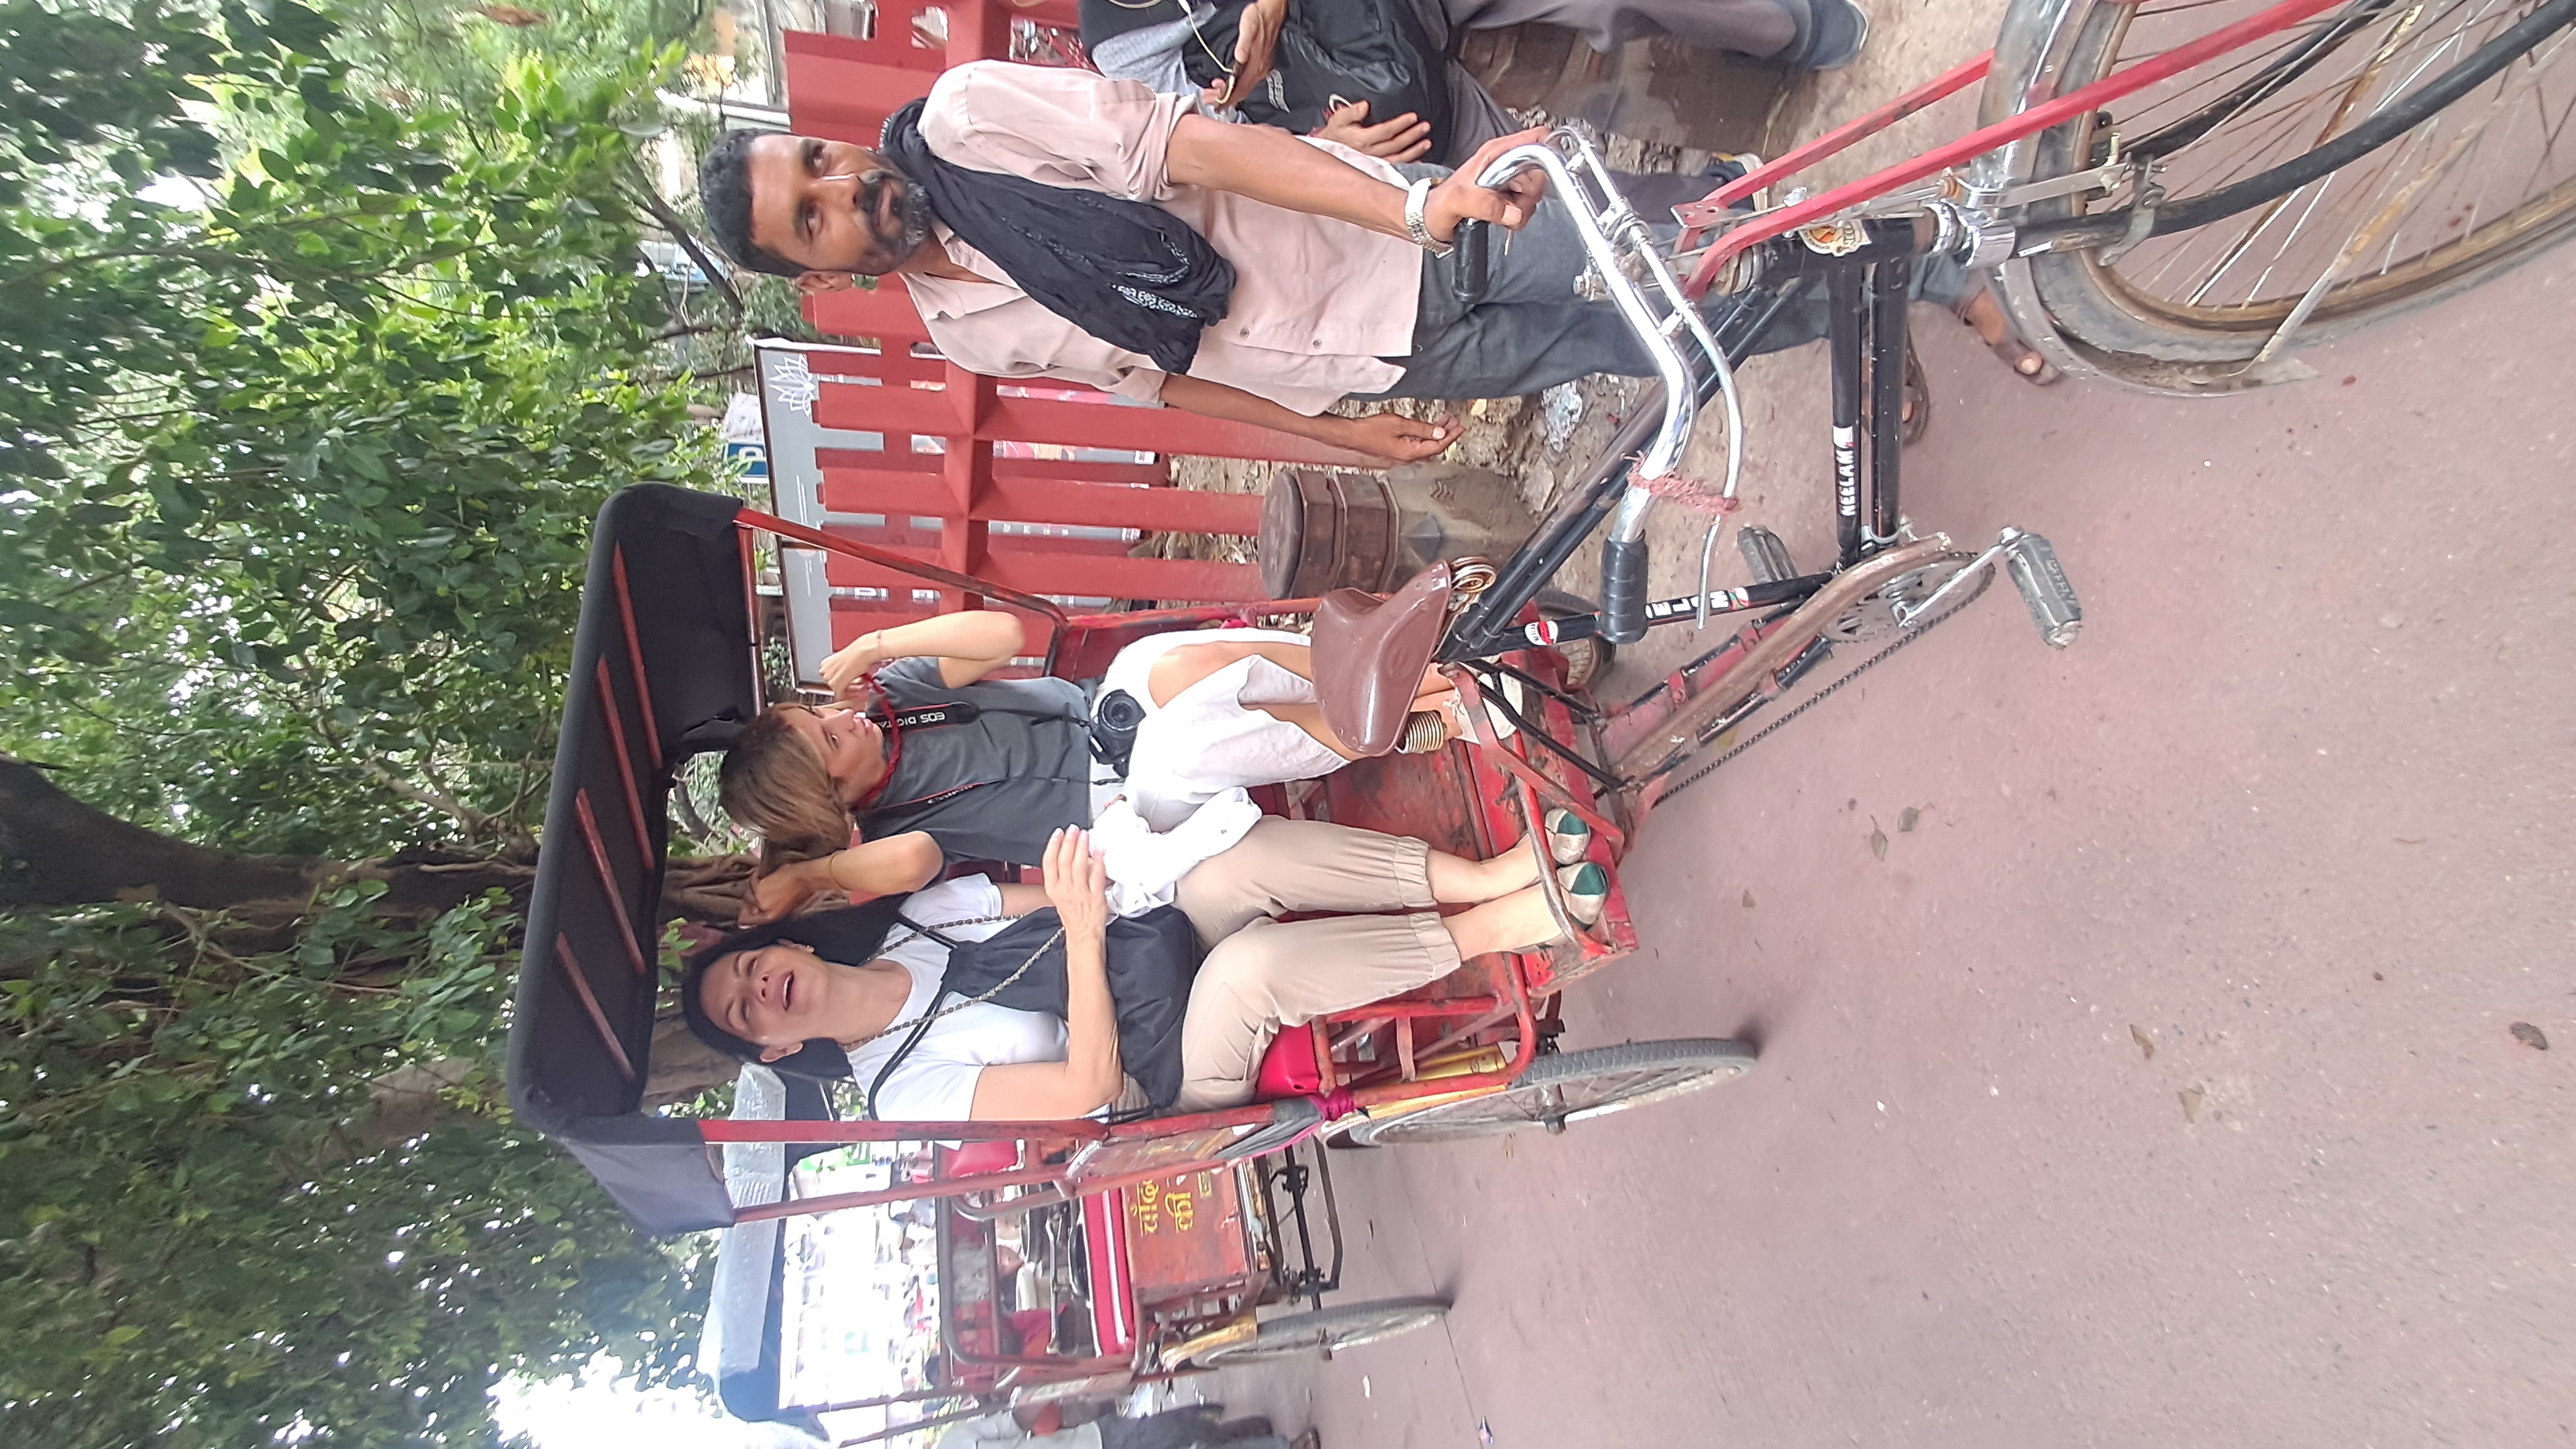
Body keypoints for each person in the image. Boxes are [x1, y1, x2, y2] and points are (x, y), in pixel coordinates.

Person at [683, 822, 1587, 1116]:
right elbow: (1084, 1085)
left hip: (1149, 951)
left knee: (1226, 866)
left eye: (749, 967)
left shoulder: (919, 923)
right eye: (743, 1013)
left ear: (789, 945)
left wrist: (1091, 883)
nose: (756, 989)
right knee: (1247, 969)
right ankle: (1501, 927)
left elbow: (1085, 908)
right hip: (1166, 1077)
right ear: (772, 1050)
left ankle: (1481, 876)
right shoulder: (896, 1087)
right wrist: (1080, 925)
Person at [1073, 0, 1870, 167]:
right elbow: (1206, 147)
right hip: (1350, 106)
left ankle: (1784, 25)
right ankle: (1727, 227)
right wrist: (1315, 148)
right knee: (1517, 191)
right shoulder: (1120, 45)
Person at [941, 1402, 1309, 1449]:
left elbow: (1013, 1420)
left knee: (1172, 1431)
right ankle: (1284, 1448)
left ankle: (1222, 1431)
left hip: (1092, 1441)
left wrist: (1054, 1388)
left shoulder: (953, 1442)